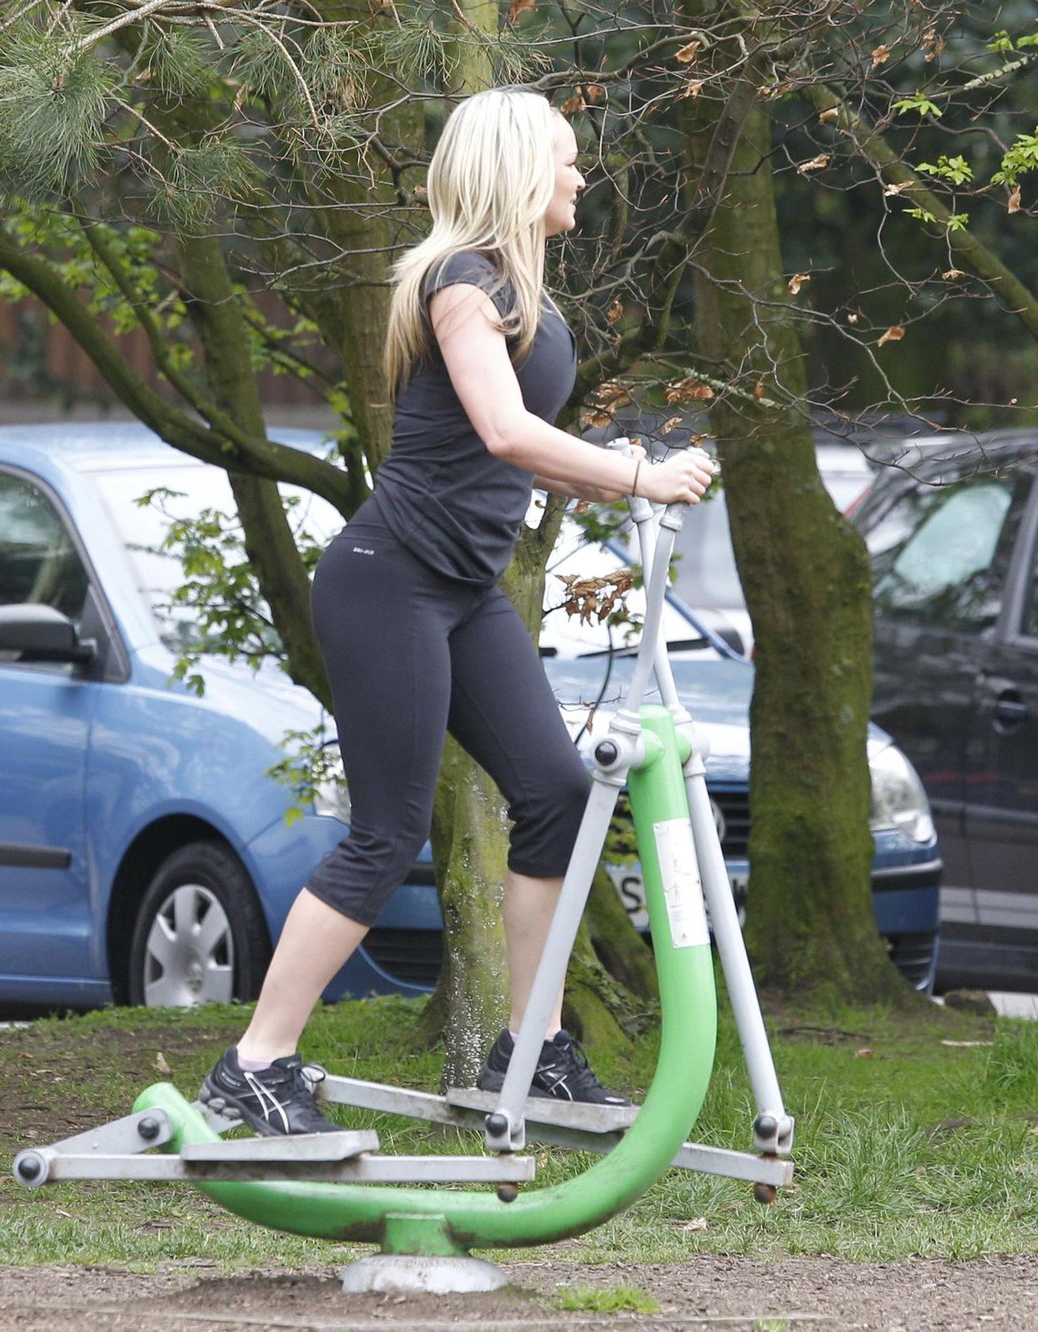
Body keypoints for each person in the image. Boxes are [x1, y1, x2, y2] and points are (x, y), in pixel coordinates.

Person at [200, 87, 715, 1136]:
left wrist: (626, 476)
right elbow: (501, 430)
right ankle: (255, 1064)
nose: (579, 178)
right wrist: (635, 475)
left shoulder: (526, 294)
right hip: (389, 580)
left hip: (464, 589)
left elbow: (511, 454)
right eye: (566, 161)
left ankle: (528, 1048)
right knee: (386, 836)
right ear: (521, 171)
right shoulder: (460, 283)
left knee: (559, 795)